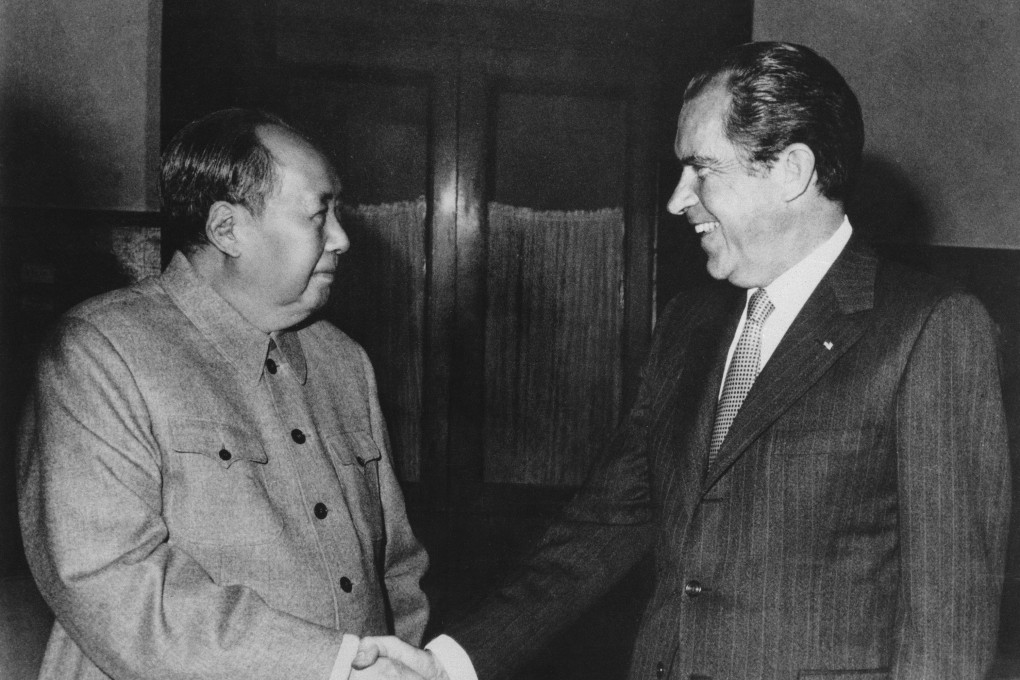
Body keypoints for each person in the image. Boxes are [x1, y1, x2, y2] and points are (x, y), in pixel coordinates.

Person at [353, 41, 1012, 679]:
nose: (677, 199)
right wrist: (451, 663)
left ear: (791, 170)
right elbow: (602, 528)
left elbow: (948, 626)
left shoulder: (930, 329)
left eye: (701, 169)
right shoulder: (688, 325)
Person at [18, 108, 430, 680]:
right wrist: (333, 667)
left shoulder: (345, 363)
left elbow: (396, 571)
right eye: (319, 214)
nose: (342, 238)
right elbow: (110, 582)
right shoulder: (100, 353)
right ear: (227, 229)